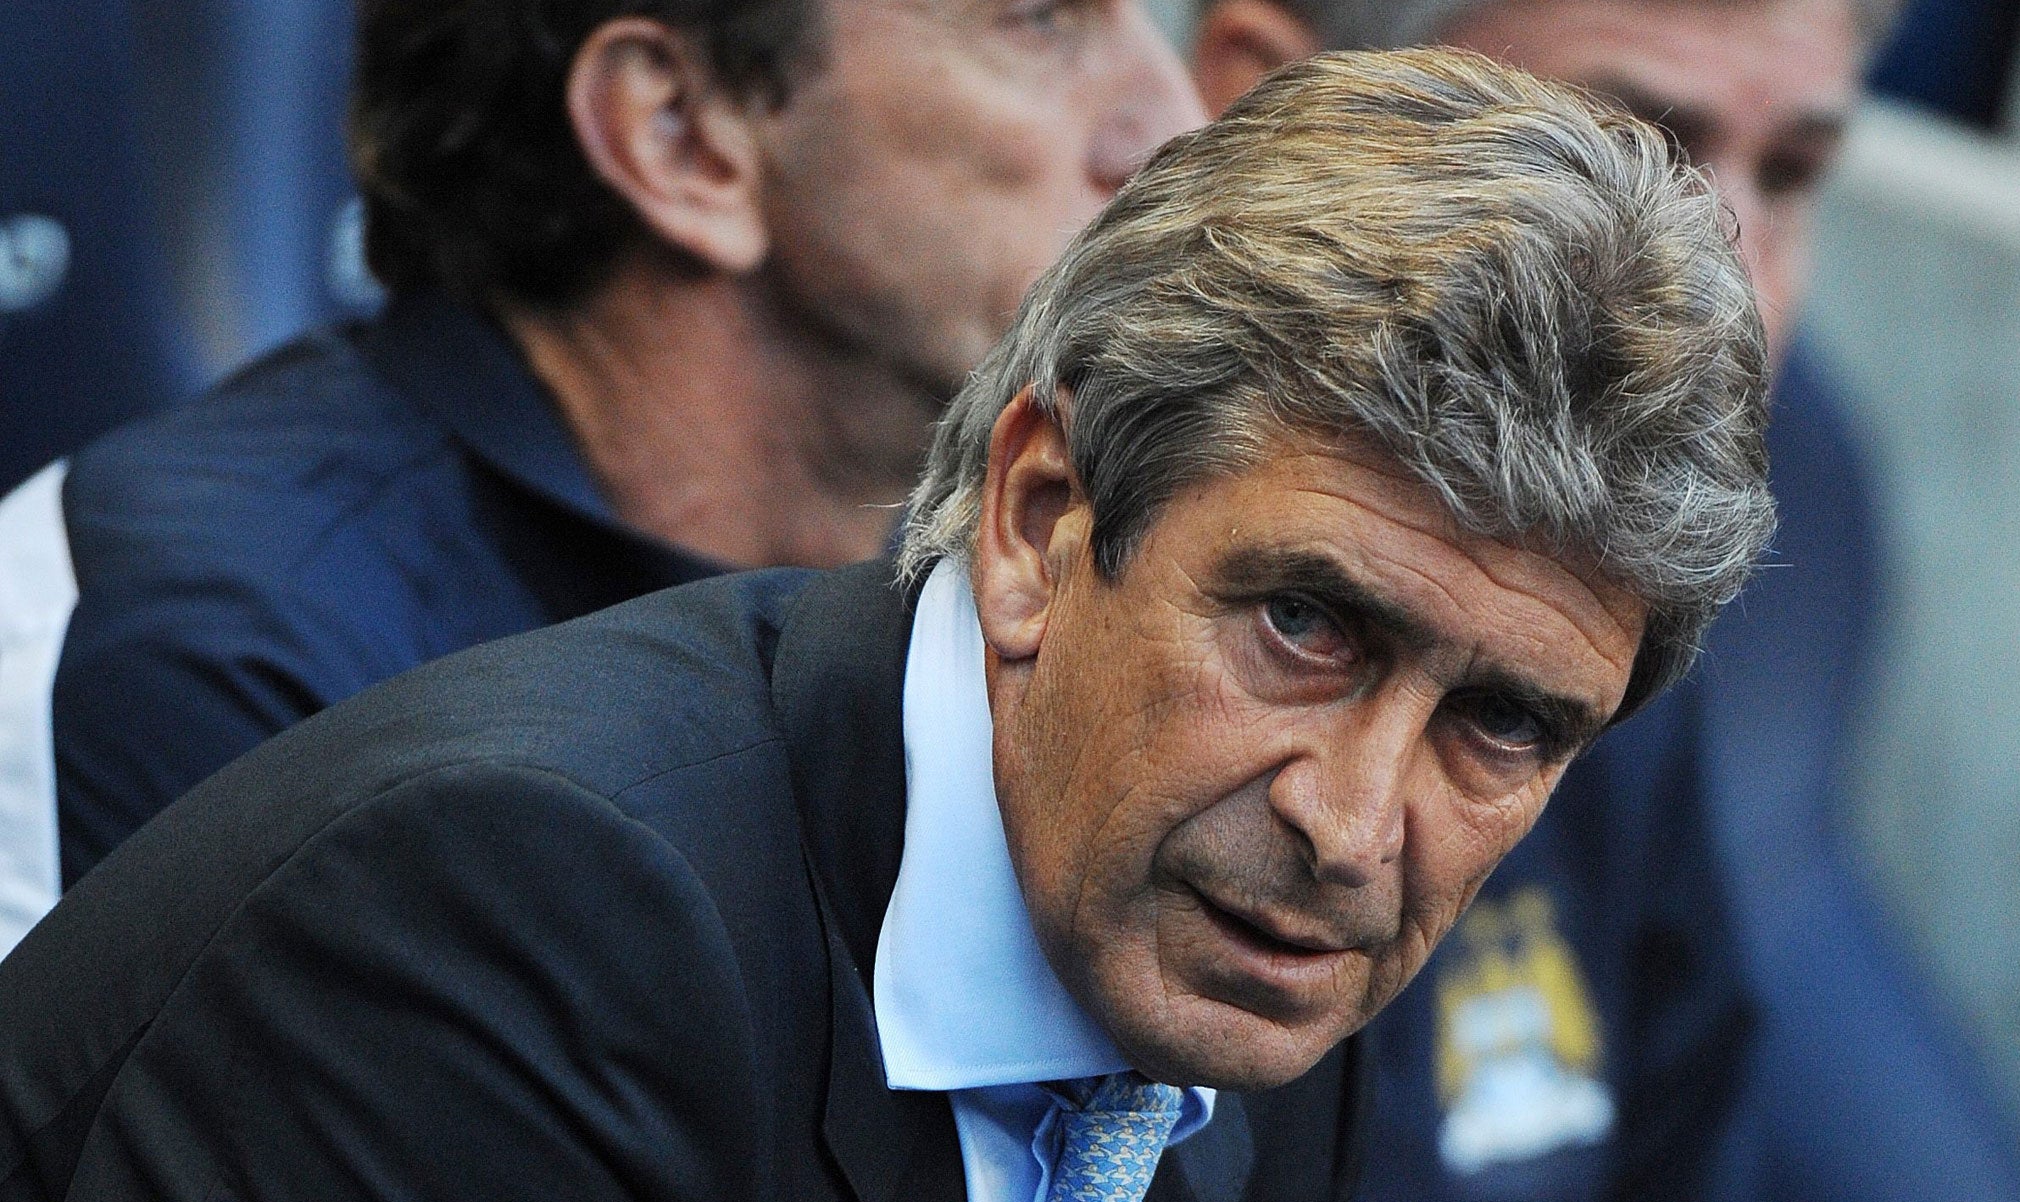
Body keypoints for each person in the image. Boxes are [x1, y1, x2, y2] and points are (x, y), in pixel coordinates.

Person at [0, 50, 1776, 1202]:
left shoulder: (1252, 1013)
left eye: (1503, 726)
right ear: (1032, 522)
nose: (1355, 822)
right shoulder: (516, 923)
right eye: (1303, 625)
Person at [1193, 2, 2020, 1202]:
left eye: (1786, 179)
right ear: (1265, 109)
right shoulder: (839, 750)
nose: (1733, 316)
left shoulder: (1624, 715)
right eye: (1630, 159)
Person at [40, 0, 1202, 896]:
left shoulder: (1091, 569)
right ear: (680, 136)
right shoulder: (209, 643)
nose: (1172, 124)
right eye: (1038, 17)